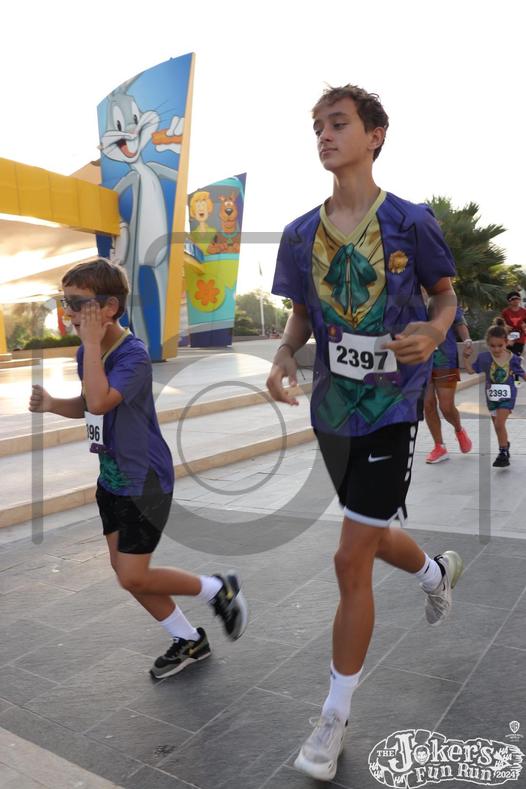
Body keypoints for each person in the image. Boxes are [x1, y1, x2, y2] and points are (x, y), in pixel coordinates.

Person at [266, 84, 464, 782]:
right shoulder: (299, 234)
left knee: (350, 558)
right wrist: (284, 353)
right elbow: (300, 314)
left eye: (338, 123)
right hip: (331, 412)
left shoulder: (411, 222)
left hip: (392, 408)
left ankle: (334, 715)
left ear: (375, 135)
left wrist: (434, 331)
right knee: (370, 535)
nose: (324, 135)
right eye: (317, 126)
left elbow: (445, 295)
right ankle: (436, 573)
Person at [29, 257, 248, 679]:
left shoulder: (133, 355)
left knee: (133, 574)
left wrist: (91, 346)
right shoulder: (87, 352)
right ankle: (189, 639)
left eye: (77, 303)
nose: (68, 311)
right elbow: (89, 404)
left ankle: (217, 589)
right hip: (111, 479)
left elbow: (101, 400)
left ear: (109, 307)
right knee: (127, 573)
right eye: (64, 301)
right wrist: (54, 404)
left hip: (143, 480)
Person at [463, 319, 525, 467]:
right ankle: (505, 444)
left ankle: (503, 453)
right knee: (498, 426)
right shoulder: (484, 358)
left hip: (508, 396)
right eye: (492, 346)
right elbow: (471, 371)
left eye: (500, 346)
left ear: (506, 343)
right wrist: (466, 358)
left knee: (499, 423)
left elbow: (522, 374)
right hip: (492, 397)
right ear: (487, 344)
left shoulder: (513, 359)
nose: (496, 349)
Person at [424, 305, 473, 463]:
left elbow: (460, 323)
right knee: (428, 404)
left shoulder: (446, 299)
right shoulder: (411, 300)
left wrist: (467, 341)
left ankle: (459, 430)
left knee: (446, 407)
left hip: (445, 359)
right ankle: (439, 447)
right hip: (421, 360)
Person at [501, 291, 526, 384]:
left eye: (517, 298)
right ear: (509, 301)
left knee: (516, 358)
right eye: (513, 299)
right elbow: (500, 322)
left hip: (520, 338)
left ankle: (516, 379)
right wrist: (505, 326)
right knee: (508, 358)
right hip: (508, 338)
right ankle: (508, 378)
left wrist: (524, 326)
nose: (516, 300)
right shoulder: (505, 312)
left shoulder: (524, 311)